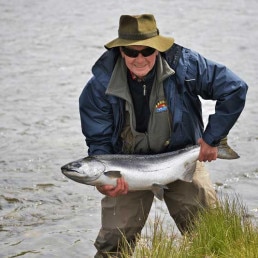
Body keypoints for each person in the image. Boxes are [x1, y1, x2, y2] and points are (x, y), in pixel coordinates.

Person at [79, 14, 248, 257]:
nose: (139, 59)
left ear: (158, 48)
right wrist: (103, 185)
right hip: (127, 169)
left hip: (182, 159)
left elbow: (234, 89)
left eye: (147, 50)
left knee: (211, 235)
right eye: (131, 51)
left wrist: (212, 139)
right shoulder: (98, 88)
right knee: (113, 246)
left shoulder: (186, 64)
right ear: (120, 51)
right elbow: (99, 146)